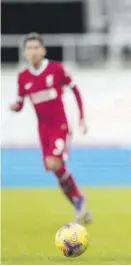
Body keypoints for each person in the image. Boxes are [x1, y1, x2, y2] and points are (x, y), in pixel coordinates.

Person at [9, 32, 91, 224]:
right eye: (29, 48)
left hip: (60, 125)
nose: (33, 51)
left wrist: (81, 118)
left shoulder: (55, 69)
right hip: (43, 129)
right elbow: (20, 103)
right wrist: (15, 107)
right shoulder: (23, 77)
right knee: (55, 169)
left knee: (55, 163)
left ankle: (78, 199)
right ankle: (80, 207)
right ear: (24, 53)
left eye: (37, 47)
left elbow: (75, 90)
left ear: (43, 50)